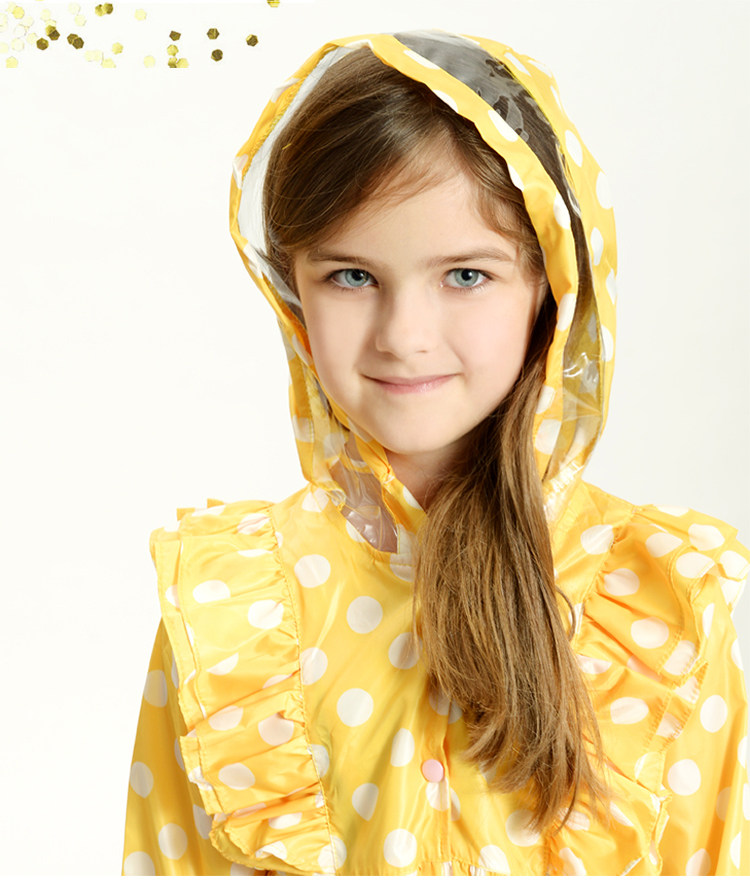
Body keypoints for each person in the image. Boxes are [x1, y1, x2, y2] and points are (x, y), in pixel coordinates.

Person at [122, 30, 749, 876]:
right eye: (352, 276)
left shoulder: (663, 611)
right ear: (291, 290)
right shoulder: (231, 617)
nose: (404, 337)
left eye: (465, 275)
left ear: (551, 288)